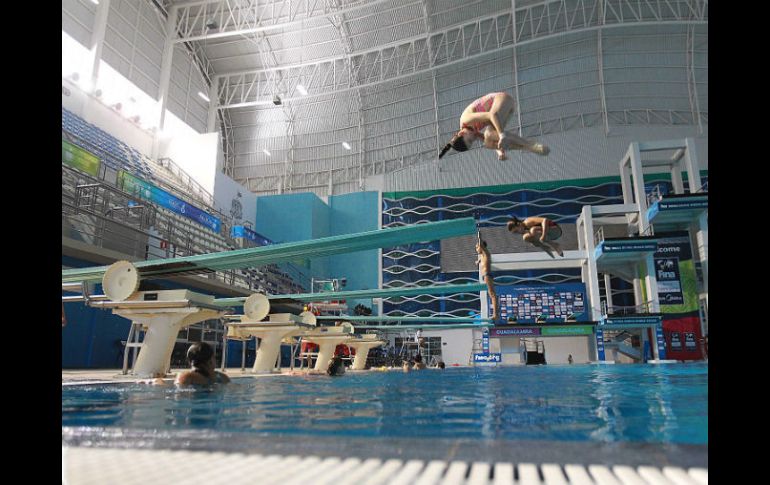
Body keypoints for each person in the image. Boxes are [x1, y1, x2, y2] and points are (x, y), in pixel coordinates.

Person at [439, 92, 550, 160]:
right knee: (487, 143)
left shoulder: (466, 119)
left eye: (469, 140)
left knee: (489, 134)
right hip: (508, 108)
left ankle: (530, 145)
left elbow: (491, 115)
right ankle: (528, 147)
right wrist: (500, 152)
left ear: (462, 133)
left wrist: (502, 135)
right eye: (471, 142)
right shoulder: (471, 131)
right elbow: (490, 142)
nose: (473, 139)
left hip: (503, 99)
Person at [475, 236, 499, 320]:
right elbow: (481, 261)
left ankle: (496, 315)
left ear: (481, 247)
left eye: (477, 247)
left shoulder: (486, 254)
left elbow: (481, 245)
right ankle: (495, 314)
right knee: (491, 294)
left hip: (487, 275)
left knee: (492, 295)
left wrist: (479, 234)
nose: (476, 249)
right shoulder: (482, 256)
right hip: (486, 276)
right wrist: (478, 262)